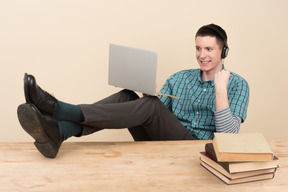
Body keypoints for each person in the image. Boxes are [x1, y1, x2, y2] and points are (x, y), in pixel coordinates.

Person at [17, 24, 249, 159]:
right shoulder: (180, 77)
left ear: (223, 51)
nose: (202, 55)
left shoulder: (237, 84)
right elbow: (157, 114)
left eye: (209, 49)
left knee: (150, 106)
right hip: (163, 142)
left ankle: (58, 113)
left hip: (197, 152)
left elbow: (229, 138)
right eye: (198, 48)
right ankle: (61, 130)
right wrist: (149, 96)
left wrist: (221, 91)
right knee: (128, 96)